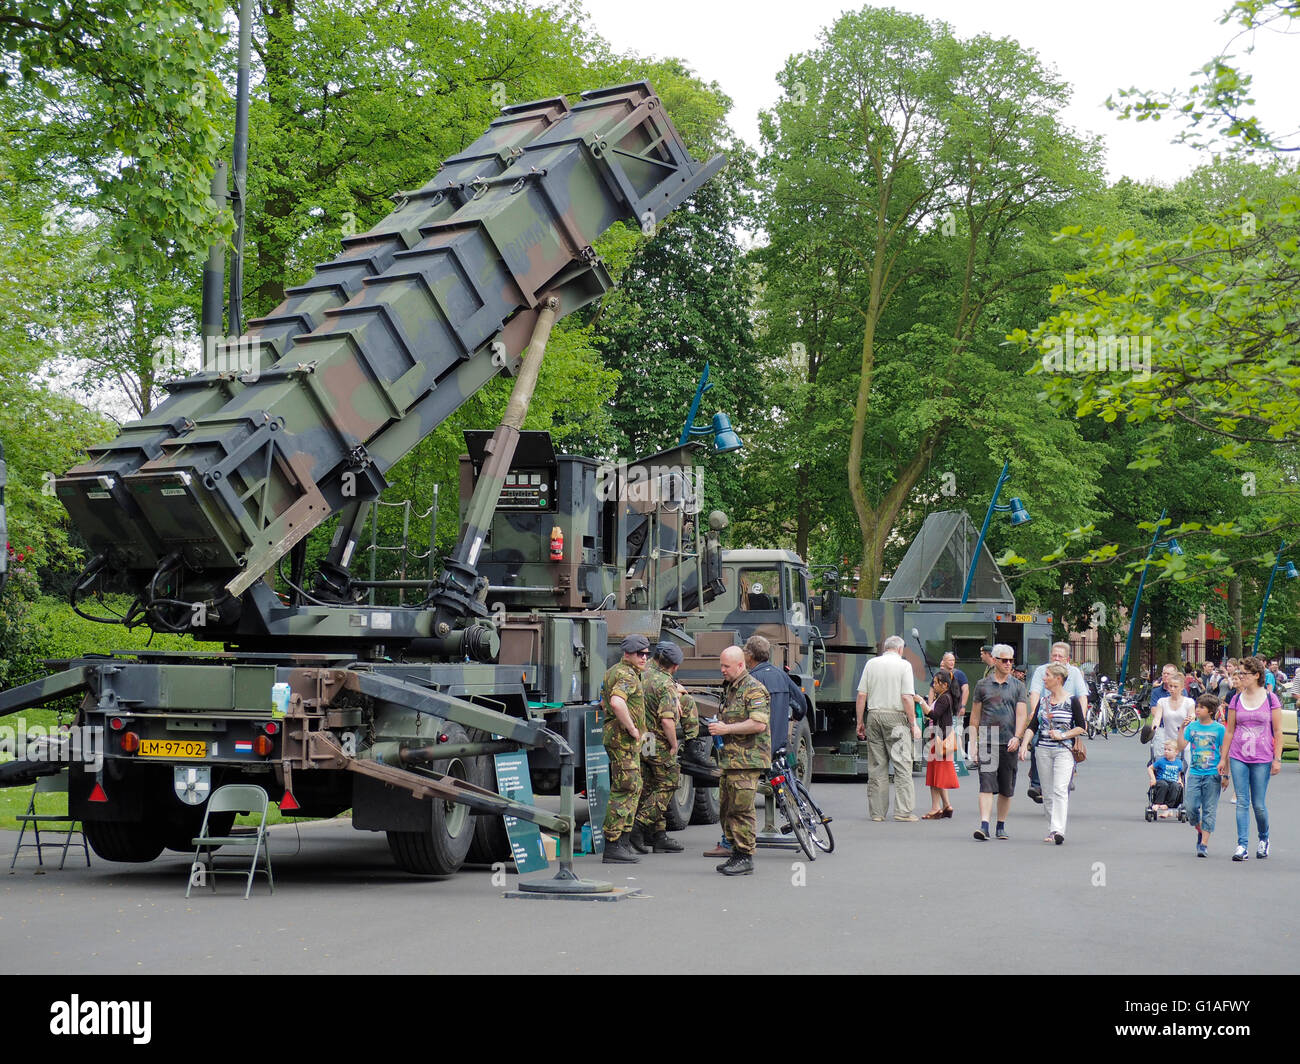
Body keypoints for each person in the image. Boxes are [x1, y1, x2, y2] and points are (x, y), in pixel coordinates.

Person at [708, 646, 771, 875]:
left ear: (741, 665)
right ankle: (735, 853)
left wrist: (726, 729)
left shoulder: (754, 689)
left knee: (741, 809)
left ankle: (745, 856)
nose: (722, 670)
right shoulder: (732, 688)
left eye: (726, 666)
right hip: (731, 761)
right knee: (727, 810)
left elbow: (758, 723)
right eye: (721, 665)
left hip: (747, 760)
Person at [1219, 656, 1283, 861]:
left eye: (1244, 674)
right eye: (1239, 673)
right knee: (1242, 802)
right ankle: (1242, 845)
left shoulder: (1271, 699)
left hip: (1262, 756)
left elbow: (1278, 730)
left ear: (1257, 675)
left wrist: (1277, 759)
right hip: (1239, 754)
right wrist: (1224, 759)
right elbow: (1229, 731)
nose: (1240, 677)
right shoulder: (1236, 700)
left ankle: (1263, 838)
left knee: (1258, 804)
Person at [856, 634, 921, 822]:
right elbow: (907, 697)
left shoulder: (871, 664)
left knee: (877, 765)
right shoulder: (904, 665)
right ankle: (903, 811)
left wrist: (860, 722)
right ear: (900, 649)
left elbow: (862, 695)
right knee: (902, 766)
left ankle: (877, 813)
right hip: (896, 718)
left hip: (874, 715)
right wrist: (913, 724)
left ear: (886, 648)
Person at [1017, 662, 1085, 844]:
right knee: (1047, 792)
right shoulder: (1044, 701)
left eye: (1047, 675)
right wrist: (1024, 744)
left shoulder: (1072, 701)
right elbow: (1033, 726)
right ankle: (1052, 827)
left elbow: (1081, 727)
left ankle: (1058, 830)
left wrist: (1063, 734)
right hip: (1043, 750)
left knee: (1060, 789)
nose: (1043, 678)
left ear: (1058, 679)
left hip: (1064, 750)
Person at [629, 642, 684, 855]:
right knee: (669, 781)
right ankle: (639, 826)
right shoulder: (666, 684)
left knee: (650, 784)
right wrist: (673, 743)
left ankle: (658, 835)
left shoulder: (641, 674)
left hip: (643, 738)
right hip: (658, 741)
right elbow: (668, 721)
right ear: (675, 666)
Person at [968, 643, 1027, 841]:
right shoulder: (982, 685)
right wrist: (973, 744)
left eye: (1011, 660)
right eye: (1004, 660)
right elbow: (975, 717)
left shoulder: (1018, 686)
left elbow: (1021, 715)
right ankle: (984, 825)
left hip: (1009, 742)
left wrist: (1017, 737)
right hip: (987, 741)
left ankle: (1000, 825)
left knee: (1006, 788)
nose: (1009, 664)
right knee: (985, 784)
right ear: (995, 661)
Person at [600, 634, 650, 864]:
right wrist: (631, 728)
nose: (645, 658)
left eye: (647, 654)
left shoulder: (613, 672)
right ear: (628, 654)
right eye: (640, 654)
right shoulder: (627, 676)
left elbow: (604, 701)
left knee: (633, 786)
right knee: (626, 788)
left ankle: (622, 841)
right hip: (623, 741)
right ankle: (613, 844)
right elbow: (616, 702)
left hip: (620, 741)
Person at [1026, 642, 1088, 802]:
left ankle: (1069, 776)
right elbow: (1035, 693)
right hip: (1046, 715)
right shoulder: (1042, 671)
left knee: (1070, 746)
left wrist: (1081, 717)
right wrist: (1035, 711)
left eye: (1060, 656)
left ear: (1067, 659)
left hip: (1067, 717)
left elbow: (1082, 696)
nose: (1056, 659)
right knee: (1036, 742)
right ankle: (1037, 784)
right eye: (1054, 655)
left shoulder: (1074, 673)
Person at [1179, 695, 1227, 858]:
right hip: (1195, 773)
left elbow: (1224, 753)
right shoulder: (1192, 727)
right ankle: (1200, 829)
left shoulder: (1219, 729)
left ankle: (1204, 844)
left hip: (1212, 774)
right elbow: (1181, 746)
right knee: (1190, 808)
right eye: (1196, 706)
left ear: (1211, 711)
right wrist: (1181, 729)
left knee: (1209, 810)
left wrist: (1226, 775)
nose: (1197, 710)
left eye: (1201, 707)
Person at [919, 668, 959, 818]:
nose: (933, 685)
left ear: (944, 685)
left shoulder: (943, 698)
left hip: (938, 739)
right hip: (943, 738)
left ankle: (936, 808)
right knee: (939, 774)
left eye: (935, 683)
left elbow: (934, 715)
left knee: (934, 776)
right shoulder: (947, 697)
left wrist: (922, 703)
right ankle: (947, 805)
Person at [1150, 671, 1194, 769]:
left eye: (1175, 686)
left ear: (1182, 687)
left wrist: (1190, 719)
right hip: (1168, 742)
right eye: (1170, 686)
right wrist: (1153, 728)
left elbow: (1192, 717)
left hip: (1184, 743)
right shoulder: (1162, 702)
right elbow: (1157, 718)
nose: (1172, 689)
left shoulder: (1189, 702)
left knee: (1184, 772)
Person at [1147, 740, 1186, 818]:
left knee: (1175, 786)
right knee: (1163, 785)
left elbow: (1179, 773)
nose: (1166, 752)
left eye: (1169, 750)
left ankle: (1168, 805)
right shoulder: (1161, 761)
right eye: (1165, 749)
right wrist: (1153, 779)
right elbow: (1150, 768)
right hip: (1162, 780)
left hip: (1173, 781)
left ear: (1176, 752)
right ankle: (1157, 803)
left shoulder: (1179, 763)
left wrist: (1179, 780)